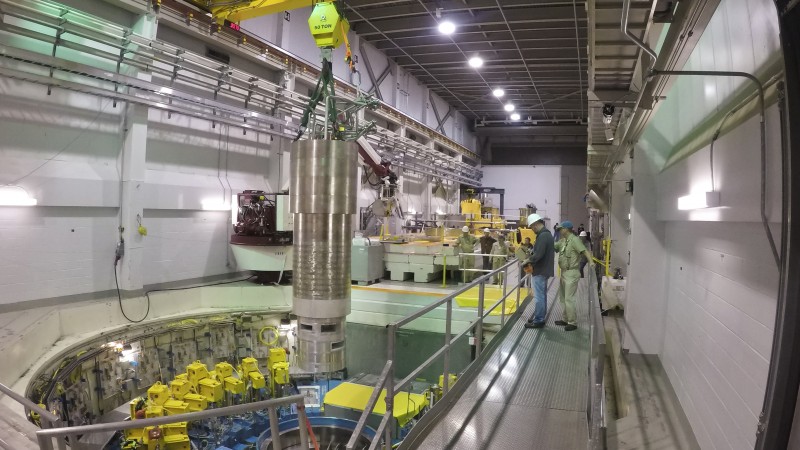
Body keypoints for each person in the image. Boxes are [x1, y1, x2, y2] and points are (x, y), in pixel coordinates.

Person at [554, 221, 594, 331]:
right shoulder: (563, 240)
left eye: (561, 229)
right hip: (564, 272)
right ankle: (565, 319)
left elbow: (585, 251)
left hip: (572, 273)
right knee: (563, 298)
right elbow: (554, 247)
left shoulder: (575, 240)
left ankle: (572, 322)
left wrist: (591, 262)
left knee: (569, 298)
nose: (560, 231)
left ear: (566, 229)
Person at [522, 214, 555, 329]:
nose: (532, 229)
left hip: (540, 270)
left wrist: (527, 259)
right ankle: (539, 316)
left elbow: (539, 254)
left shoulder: (543, 236)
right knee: (542, 295)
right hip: (544, 269)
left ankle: (539, 320)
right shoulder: (546, 235)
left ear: (536, 224)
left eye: (532, 227)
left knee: (539, 296)